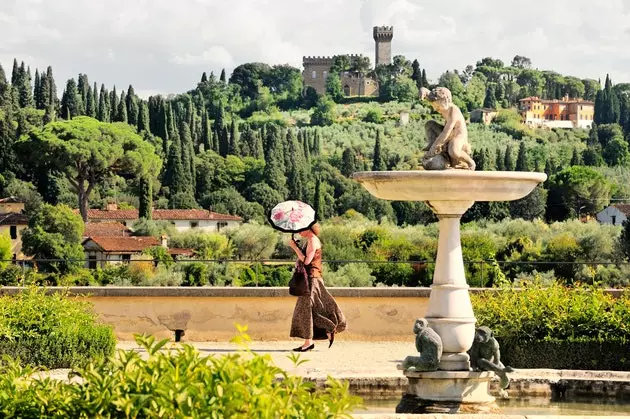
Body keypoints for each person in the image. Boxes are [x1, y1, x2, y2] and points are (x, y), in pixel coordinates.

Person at [287, 223, 347, 351]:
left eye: (301, 229)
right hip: (311, 278)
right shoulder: (310, 240)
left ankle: (318, 335)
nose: (299, 232)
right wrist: (298, 247)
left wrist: (294, 248)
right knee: (310, 309)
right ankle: (322, 333)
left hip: (312, 279)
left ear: (308, 229)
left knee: (306, 309)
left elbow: (307, 261)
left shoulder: (313, 241)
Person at [423, 86, 475, 171]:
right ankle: (432, 145)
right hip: (449, 132)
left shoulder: (453, 111)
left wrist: (435, 146)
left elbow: (446, 133)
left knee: (454, 151)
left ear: (445, 101)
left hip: (458, 135)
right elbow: (430, 94)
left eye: (437, 106)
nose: (435, 109)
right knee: (430, 125)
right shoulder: (439, 100)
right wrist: (423, 91)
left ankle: (470, 162)